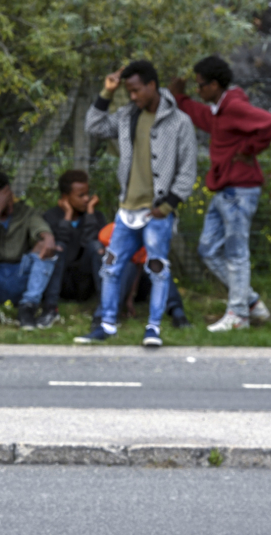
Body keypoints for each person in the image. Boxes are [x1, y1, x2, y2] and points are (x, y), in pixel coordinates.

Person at [76, 60, 197, 347]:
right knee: (110, 266)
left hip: (156, 212)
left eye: (136, 90)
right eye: (128, 91)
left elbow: (188, 171)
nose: (132, 96)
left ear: (152, 85)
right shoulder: (127, 115)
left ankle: (153, 328)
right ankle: (106, 324)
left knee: (157, 268)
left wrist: (166, 206)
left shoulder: (180, 122)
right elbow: (93, 125)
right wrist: (107, 91)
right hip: (126, 210)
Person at [169, 56, 271, 332]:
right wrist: (180, 98)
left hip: (240, 190)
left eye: (201, 85)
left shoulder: (234, 106)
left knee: (236, 253)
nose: (199, 90)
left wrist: (249, 150)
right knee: (208, 248)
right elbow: (203, 117)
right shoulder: (220, 110)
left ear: (215, 84)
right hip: (225, 190)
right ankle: (251, 302)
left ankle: (239, 315)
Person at [0, 172, 57, 331]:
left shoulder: (24, 211)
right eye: (3, 201)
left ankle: (28, 307)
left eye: (9, 199)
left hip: (19, 274)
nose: (9, 205)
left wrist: (48, 236)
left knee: (45, 245)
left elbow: (40, 227)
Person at [40, 170, 107, 328]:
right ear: (65, 197)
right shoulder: (50, 216)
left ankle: (104, 309)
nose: (86, 199)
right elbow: (58, 244)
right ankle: (50, 308)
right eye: (80, 195)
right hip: (61, 281)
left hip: (85, 281)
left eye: (87, 194)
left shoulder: (96, 216)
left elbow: (92, 243)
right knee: (58, 247)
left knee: (96, 247)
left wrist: (90, 214)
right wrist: (67, 216)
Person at [92, 223, 190, 328]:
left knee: (158, 269)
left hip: (135, 282)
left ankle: (177, 313)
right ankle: (103, 316)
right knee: (123, 266)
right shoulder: (109, 232)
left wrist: (131, 298)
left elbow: (138, 268)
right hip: (109, 280)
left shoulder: (147, 236)